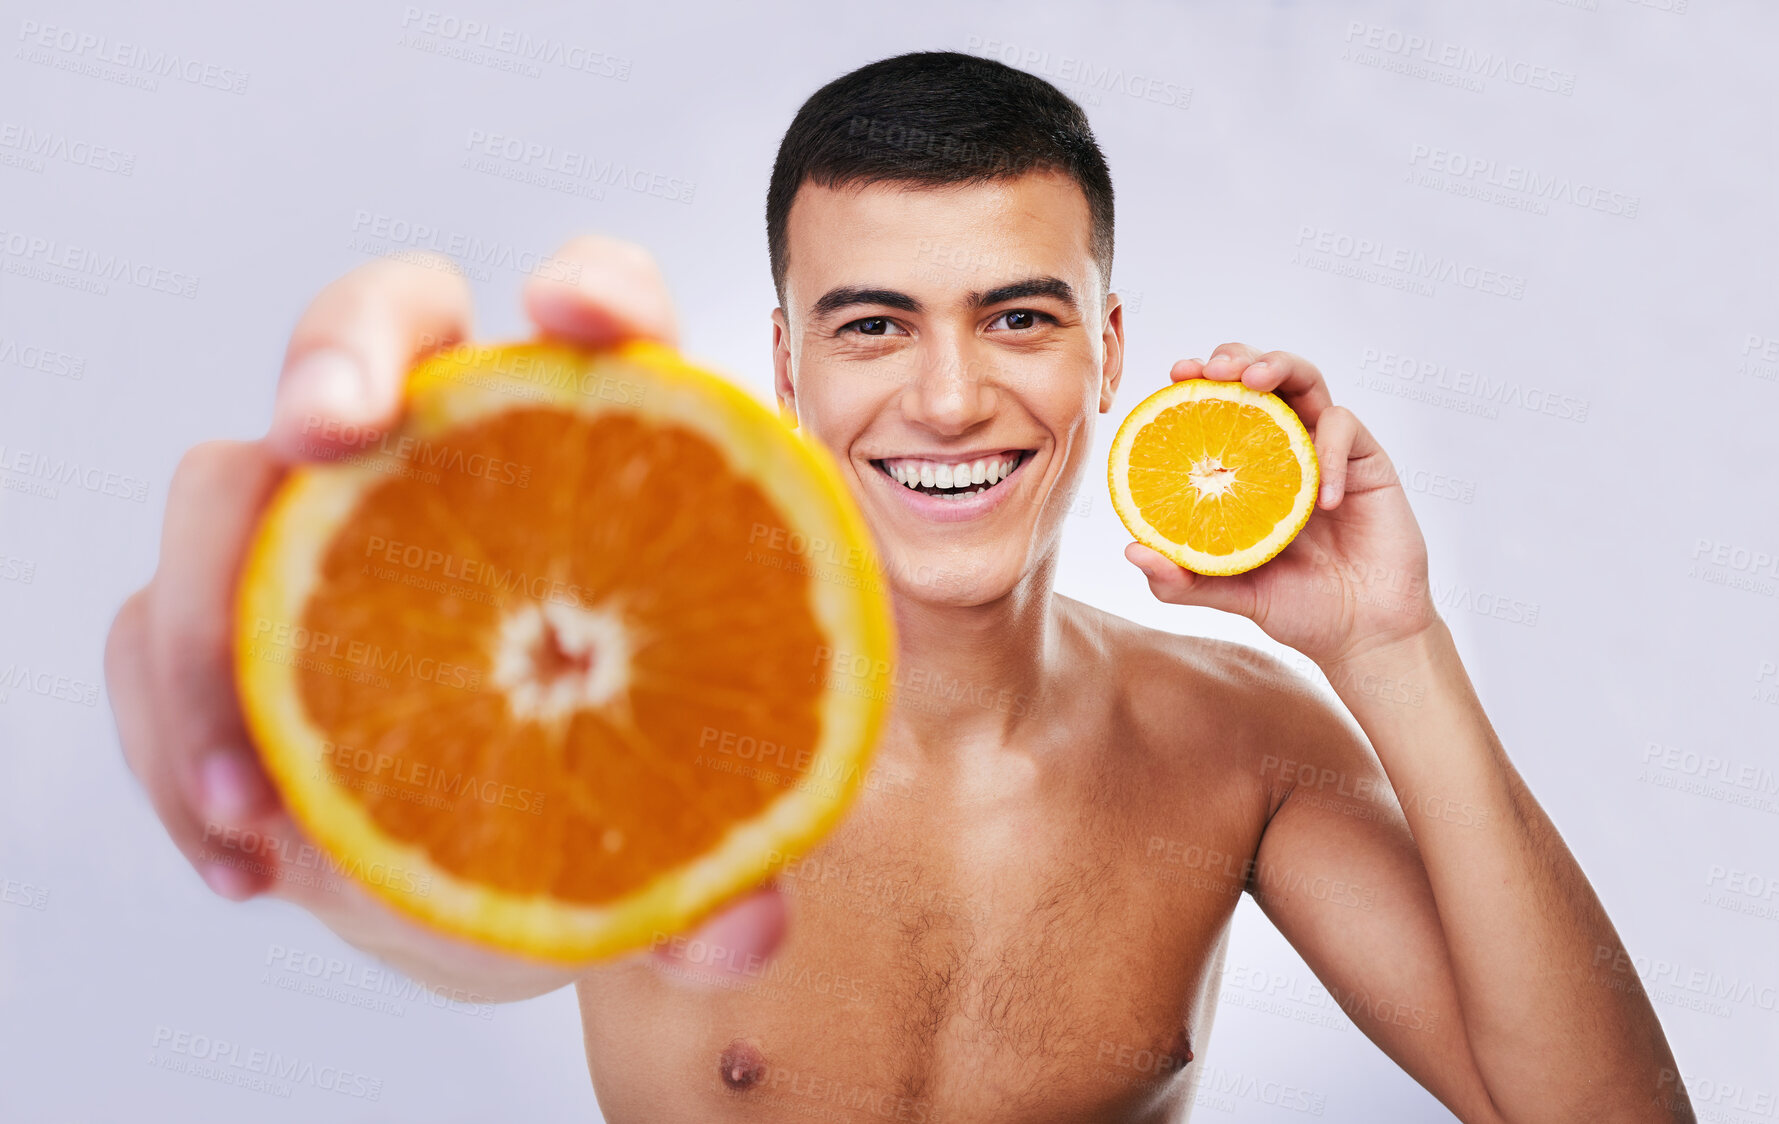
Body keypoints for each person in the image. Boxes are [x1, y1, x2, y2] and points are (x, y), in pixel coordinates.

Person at [105, 51, 1691, 1123]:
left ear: (1109, 349)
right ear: (788, 364)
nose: (947, 399)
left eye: (1017, 317)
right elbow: (477, 926)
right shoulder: (637, 707)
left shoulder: (1235, 744)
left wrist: (1392, 645)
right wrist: (319, 811)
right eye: (873, 326)